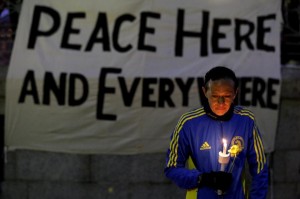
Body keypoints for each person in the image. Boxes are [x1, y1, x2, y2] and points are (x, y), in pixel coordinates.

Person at [164, 66, 268, 199]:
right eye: (215, 96)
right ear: (204, 92)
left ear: (235, 93)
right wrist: (204, 178)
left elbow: (260, 168)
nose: (220, 102)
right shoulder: (189, 123)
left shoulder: (246, 120)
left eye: (227, 96)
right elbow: (171, 167)